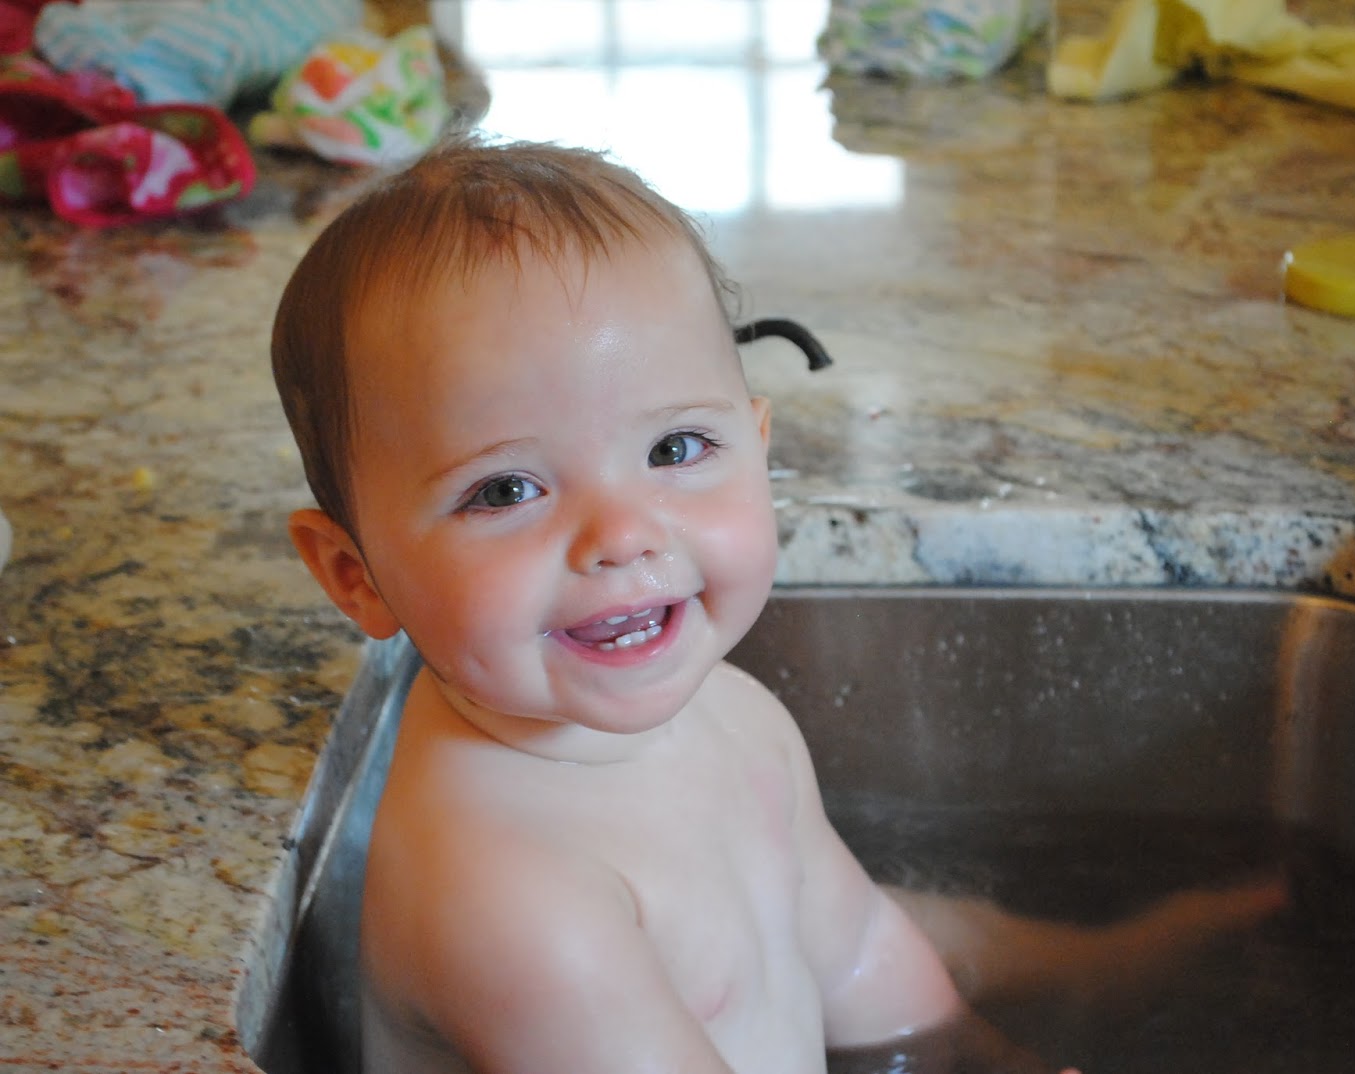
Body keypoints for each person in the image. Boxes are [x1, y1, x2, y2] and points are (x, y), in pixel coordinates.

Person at [272, 135, 1284, 1074]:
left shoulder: (732, 715)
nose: (622, 535)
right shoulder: (510, 905)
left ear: (758, 445)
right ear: (354, 576)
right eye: (504, 490)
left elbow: (854, 951)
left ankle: (1088, 959)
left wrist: (996, 1054)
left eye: (675, 448)